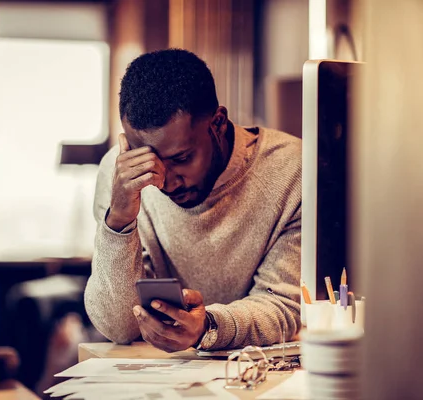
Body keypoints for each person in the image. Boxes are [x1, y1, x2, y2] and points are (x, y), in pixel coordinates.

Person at [84, 48, 302, 352]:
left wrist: (209, 327)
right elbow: (119, 327)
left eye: (182, 158)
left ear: (218, 124)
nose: (165, 181)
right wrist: (119, 220)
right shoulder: (121, 177)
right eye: (147, 161)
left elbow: (284, 307)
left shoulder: (293, 170)